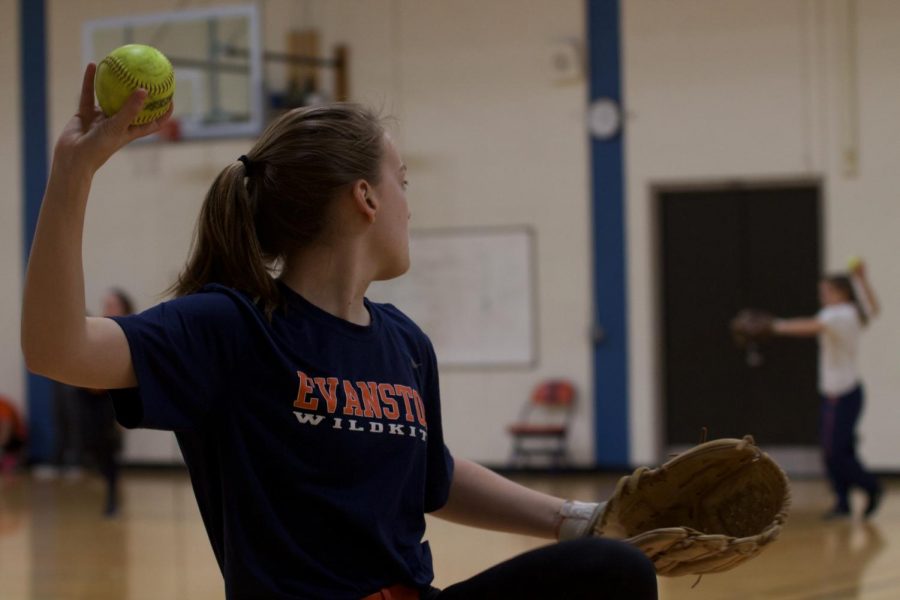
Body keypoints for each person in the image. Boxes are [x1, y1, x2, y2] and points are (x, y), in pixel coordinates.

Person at [21, 63, 657, 599]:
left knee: (611, 569)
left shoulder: (406, 345)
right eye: (401, 183)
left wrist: (581, 519)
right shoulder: (231, 326)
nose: (410, 203)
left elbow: (430, 473)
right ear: (366, 199)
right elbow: (57, 348)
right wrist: (74, 173)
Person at [770, 263, 882, 519]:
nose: (823, 296)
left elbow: (810, 326)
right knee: (839, 450)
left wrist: (774, 326)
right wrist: (863, 280)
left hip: (840, 394)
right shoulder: (851, 312)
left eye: (826, 291)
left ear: (841, 292)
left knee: (834, 452)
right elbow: (872, 309)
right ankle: (843, 503)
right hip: (844, 392)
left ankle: (871, 487)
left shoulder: (838, 315)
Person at [78, 288, 132, 516]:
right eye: (105, 304)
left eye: (112, 305)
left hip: (114, 401)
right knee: (91, 444)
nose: (107, 309)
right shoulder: (99, 329)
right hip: (92, 397)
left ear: (124, 309)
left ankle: (112, 501)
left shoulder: (129, 332)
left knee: (109, 451)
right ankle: (106, 481)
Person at [0, 395, 27, 474]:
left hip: (15, 438)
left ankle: (9, 461)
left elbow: (7, 428)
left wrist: (1, 445)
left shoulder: (2, 406)